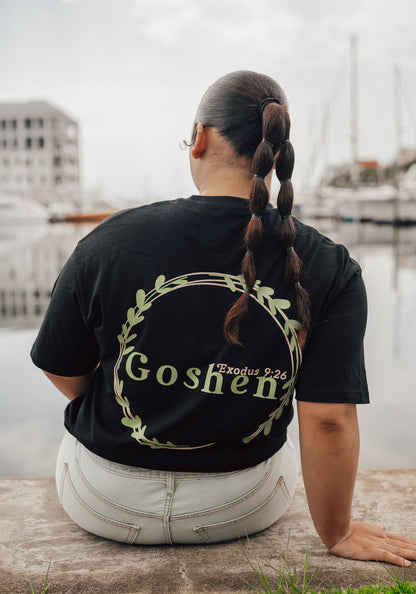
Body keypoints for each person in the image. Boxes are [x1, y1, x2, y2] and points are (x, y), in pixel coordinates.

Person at [31, 70, 416, 565]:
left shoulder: (110, 242)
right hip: (239, 506)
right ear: (277, 153)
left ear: (199, 139)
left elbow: (60, 366)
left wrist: (132, 404)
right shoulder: (328, 265)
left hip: (104, 501)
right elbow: (328, 421)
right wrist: (337, 533)